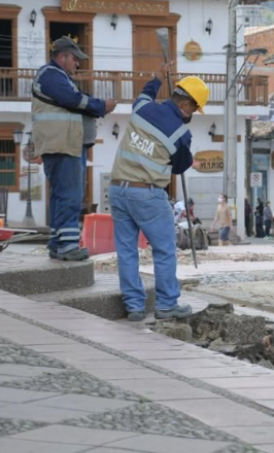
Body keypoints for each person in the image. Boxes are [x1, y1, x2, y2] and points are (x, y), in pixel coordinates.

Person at [109, 67, 209, 322]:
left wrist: (157, 79)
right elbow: (180, 166)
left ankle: (134, 306)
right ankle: (165, 305)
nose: (193, 114)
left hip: (118, 190)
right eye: (194, 109)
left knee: (127, 250)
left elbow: (145, 93)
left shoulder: (142, 108)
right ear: (185, 103)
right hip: (147, 194)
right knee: (164, 250)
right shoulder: (180, 133)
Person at [33, 36, 115, 261]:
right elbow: (73, 100)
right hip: (63, 144)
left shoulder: (56, 76)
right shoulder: (51, 75)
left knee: (61, 195)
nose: (78, 64)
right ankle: (68, 246)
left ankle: (58, 243)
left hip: (64, 143)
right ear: (62, 57)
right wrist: (101, 106)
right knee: (70, 195)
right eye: (75, 59)